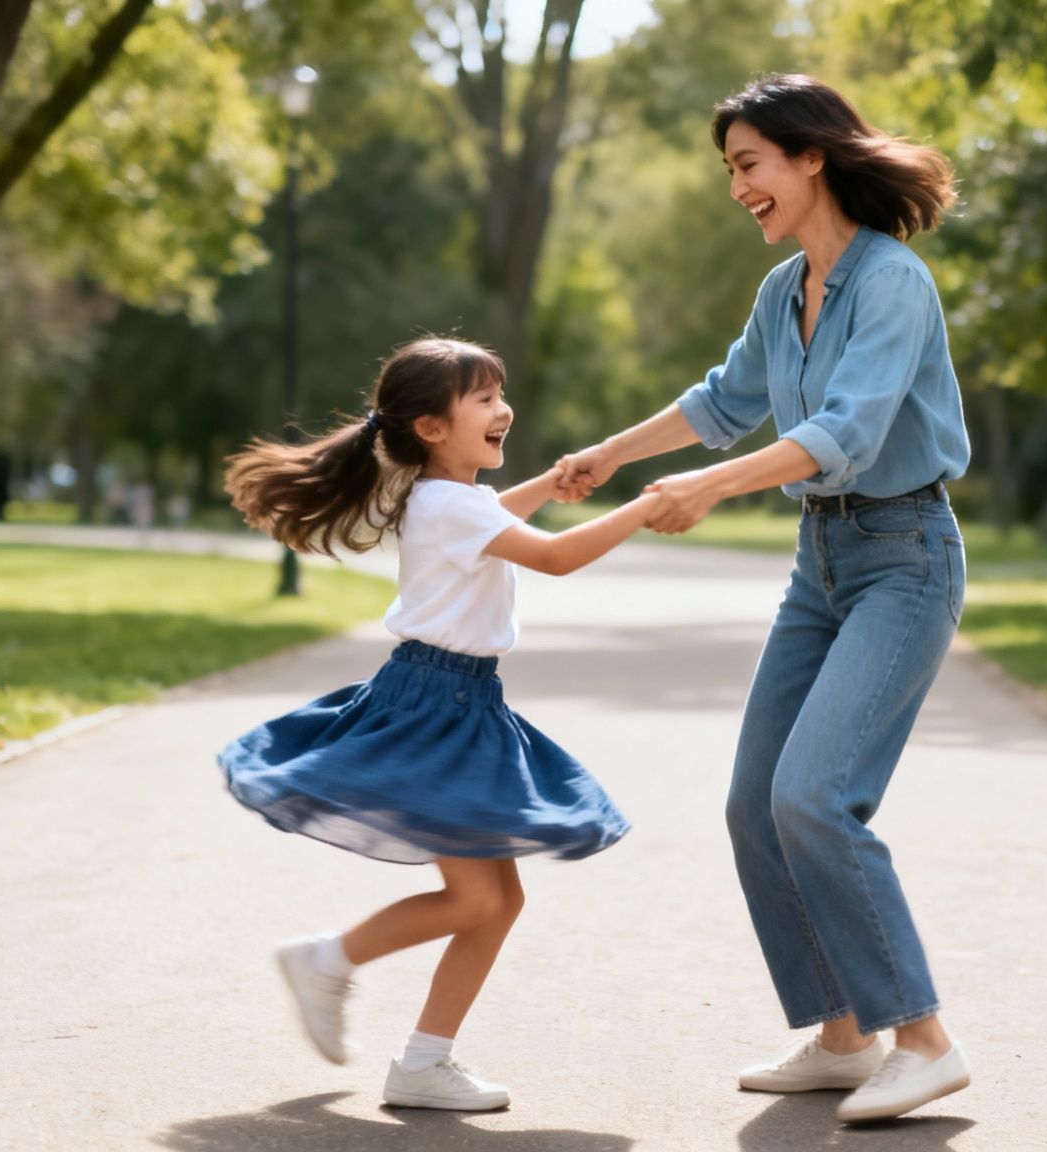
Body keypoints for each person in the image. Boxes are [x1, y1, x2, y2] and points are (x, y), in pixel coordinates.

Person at [555, 74, 972, 1123]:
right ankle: (841, 1034)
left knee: (812, 796)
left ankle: (922, 1039)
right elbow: (725, 399)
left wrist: (705, 485)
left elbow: (845, 432)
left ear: (809, 156)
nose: (737, 185)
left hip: (902, 555)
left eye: (748, 163)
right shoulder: (783, 290)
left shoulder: (892, 283)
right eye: (729, 169)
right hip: (818, 564)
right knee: (754, 804)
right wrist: (611, 453)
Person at [219, 336, 656, 1112]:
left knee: (498, 900)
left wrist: (546, 486)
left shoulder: (450, 499)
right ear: (429, 427)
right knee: (476, 899)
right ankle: (330, 960)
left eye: (500, 393)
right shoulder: (451, 504)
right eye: (483, 399)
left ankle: (421, 1058)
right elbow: (552, 560)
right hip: (437, 708)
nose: (503, 409)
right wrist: (649, 505)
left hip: (458, 701)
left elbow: (490, 516)